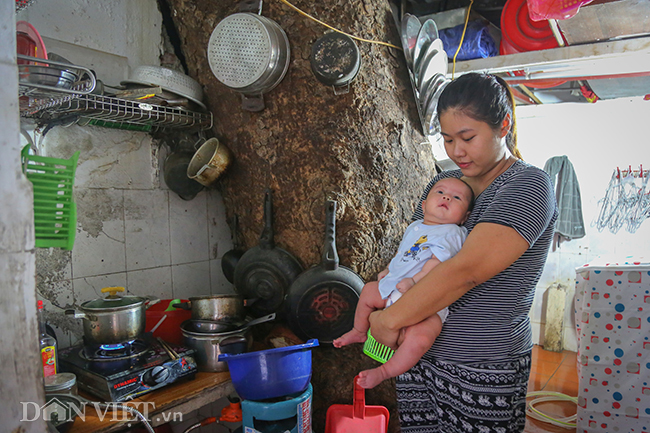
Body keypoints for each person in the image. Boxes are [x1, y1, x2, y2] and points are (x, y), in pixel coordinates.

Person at [368, 73, 558, 433]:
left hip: (482, 364)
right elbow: (415, 247)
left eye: (468, 137)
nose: (456, 151)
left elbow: (466, 270)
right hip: (419, 353)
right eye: (448, 139)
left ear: (503, 125)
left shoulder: (528, 184)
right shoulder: (444, 184)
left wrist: (388, 321)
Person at [334, 177, 474, 389]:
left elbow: (438, 265)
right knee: (369, 291)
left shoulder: (451, 232)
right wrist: (388, 270)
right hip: (395, 289)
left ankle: (384, 371)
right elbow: (402, 255)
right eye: (440, 192)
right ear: (424, 204)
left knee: (421, 337)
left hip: (427, 301)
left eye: (457, 198)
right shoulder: (416, 227)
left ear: (465, 217)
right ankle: (359, 330)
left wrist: (414, 281)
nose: (447, 197)